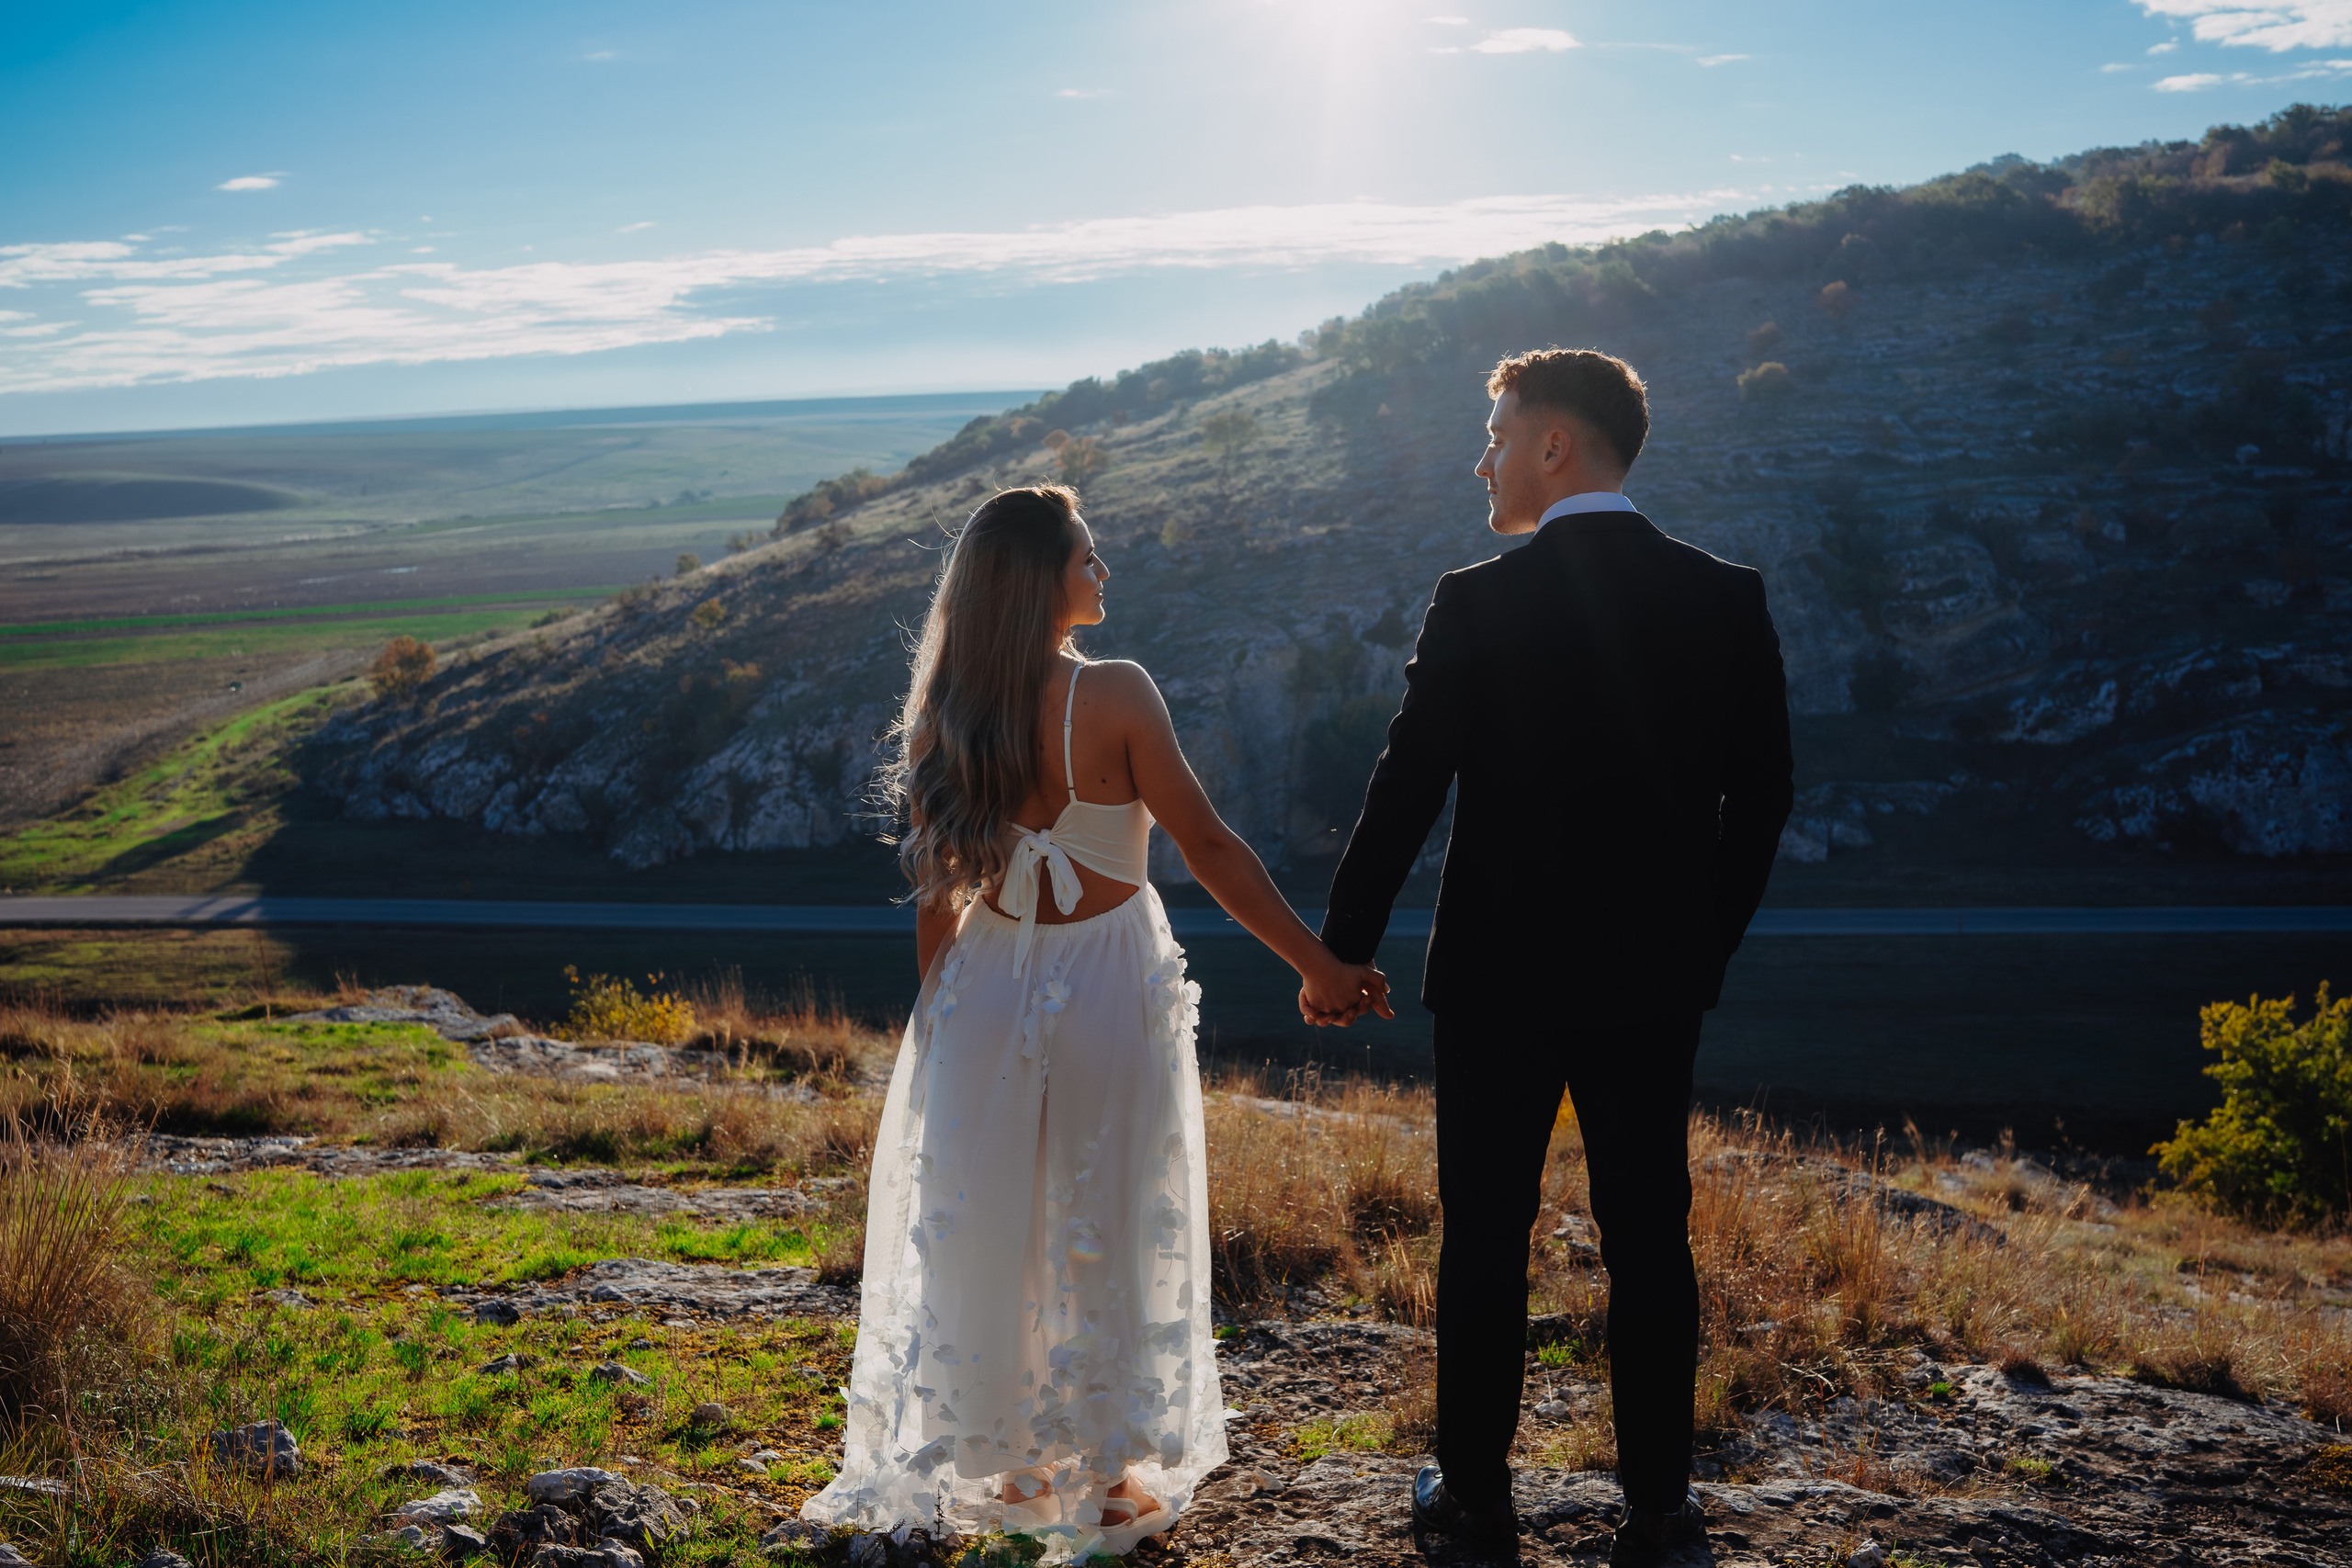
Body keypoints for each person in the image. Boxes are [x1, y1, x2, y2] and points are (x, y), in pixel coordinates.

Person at [803, 484, 1386, 1562]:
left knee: (997, 1212)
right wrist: (1321, 967)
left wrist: (940, 1022)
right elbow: (1206, 847)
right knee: (1110, 1203)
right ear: (1040, 580)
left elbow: (939, 894)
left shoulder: (949, 708)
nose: (1103, 571)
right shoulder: (1113, 693)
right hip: (1107, 980)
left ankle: (1017, 1457)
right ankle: (1108, 1477)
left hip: (985, 979)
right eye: (1087, 555)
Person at [1310, 349, 1794, 1566]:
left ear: (1555, 445)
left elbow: (1405, 785)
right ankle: (1661, 1511)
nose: (1482, 457)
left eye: (1495, 431)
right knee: (1651, 1237)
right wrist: (1698, 945)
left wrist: (1340, 952)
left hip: (1495, 981)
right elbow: (1768, 796)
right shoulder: (1725, 595)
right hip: (1653, 983)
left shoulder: (1477, 600)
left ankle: (1475, 1501)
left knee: (1484, 1231)